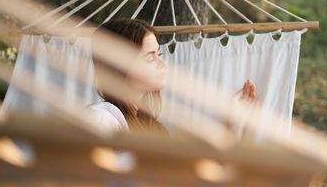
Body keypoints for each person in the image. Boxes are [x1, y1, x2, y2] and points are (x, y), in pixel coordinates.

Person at [89, 18, 257, 134]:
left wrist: (233, 125)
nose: (163, 63)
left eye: (159, 54)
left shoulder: (154, 128)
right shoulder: (102, 118)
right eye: (150, 56)